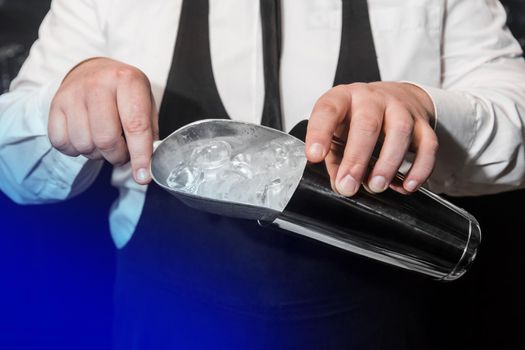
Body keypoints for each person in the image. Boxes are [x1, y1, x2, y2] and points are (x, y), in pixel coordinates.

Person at [0, 0, 524, 348]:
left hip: (384, 317)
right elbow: (13, 166)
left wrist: (426, 107)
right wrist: (65, 99)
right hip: (165, 316)